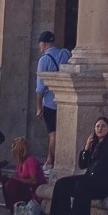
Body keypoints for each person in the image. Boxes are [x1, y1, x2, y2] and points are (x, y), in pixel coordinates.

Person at [49, 116, 108, 215]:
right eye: (97, 126)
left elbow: (101, 166)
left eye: (103, 126)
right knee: (62, 184)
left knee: (82, 185)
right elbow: (82, 165)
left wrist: (88, 177)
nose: (100, 129)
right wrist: (86, 148)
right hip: (93, 179)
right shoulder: (94, 143)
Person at [34, 30, 72, 176]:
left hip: (50, 102)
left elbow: (40, 87)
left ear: (43, 44)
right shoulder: (65, 53)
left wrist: (38, 107)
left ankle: (51, 161)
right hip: (65, 100)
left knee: (53, 133)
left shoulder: (44, 60)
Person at [1, 137, 45, 215]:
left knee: (13, 184)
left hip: (33, 190)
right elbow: (17, 176)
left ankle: (16, 209)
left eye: (14, 149)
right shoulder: (20, 162)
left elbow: (34, 181)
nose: (12, 151)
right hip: (25, 187)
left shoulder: (31, 161)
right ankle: (12, 210)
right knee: (6, 181)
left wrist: (16, 179)